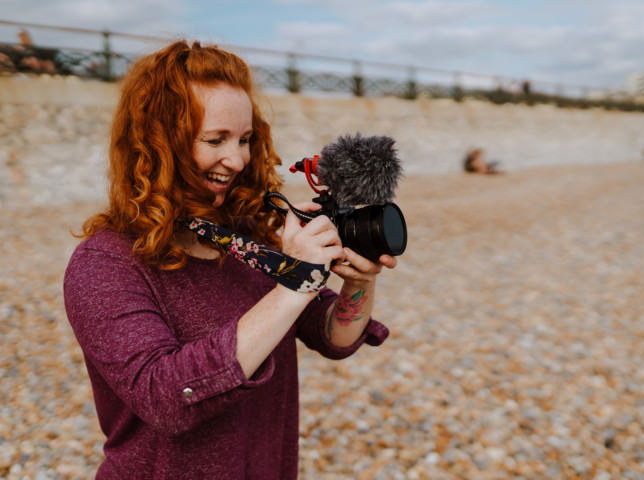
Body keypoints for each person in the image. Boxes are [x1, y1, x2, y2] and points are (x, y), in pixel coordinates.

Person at [63, 40, 397, 479]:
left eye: (244, 139)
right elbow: (167, 397)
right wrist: (295, 283)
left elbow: (330, 336)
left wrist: (357, 279)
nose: (237, 159)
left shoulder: (244, 238)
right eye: (215, 139)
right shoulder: (105, 264)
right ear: (158, 143)